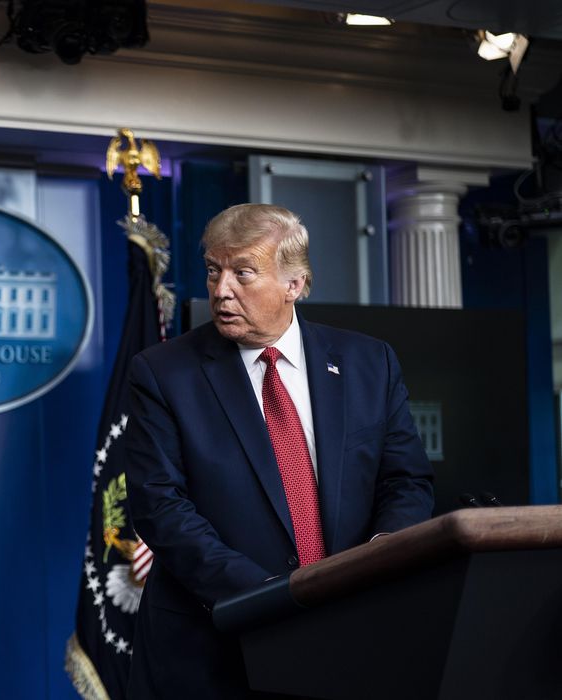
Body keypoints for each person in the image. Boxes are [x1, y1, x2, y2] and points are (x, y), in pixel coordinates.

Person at [124, 203, 434, 698]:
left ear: (295, 284)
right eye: (213, 271)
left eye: (243, 273)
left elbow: (406, 481)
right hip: (211, 649)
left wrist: (383, 559)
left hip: (351, 636)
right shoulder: (162, 373)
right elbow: (161, 508)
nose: (222, 290)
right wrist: (277, 598)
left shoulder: (367, 363)